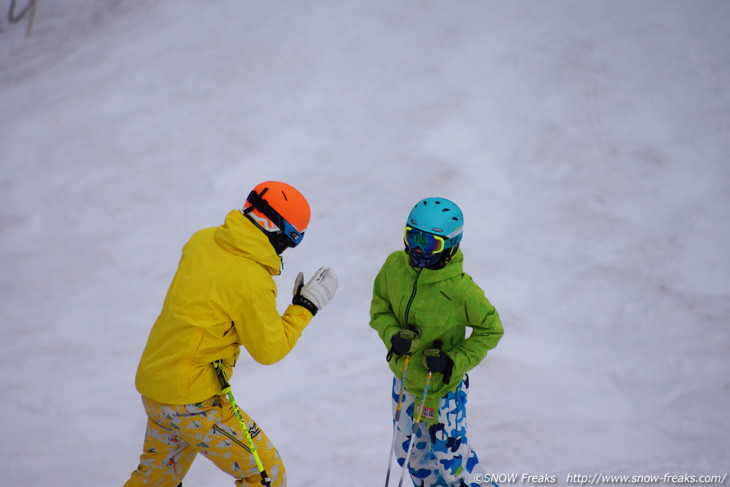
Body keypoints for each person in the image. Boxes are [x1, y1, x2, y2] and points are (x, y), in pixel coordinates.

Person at [123, 181, 338, 487]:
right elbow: (269, 350)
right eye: (292, 240)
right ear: (278, 232)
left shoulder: (201, 240)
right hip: (193, 402)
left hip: (157, 387)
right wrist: (305, 307)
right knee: (267, 476)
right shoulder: (252, 280)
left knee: (156, 479)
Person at [370, 197, 504, 487]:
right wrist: (392, 334)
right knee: (412, 459)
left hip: (443, 390)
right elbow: (380, 307)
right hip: (405, 383)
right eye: (413, 237)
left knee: (453, 463)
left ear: (451, 245)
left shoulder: (461, 290)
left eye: (430, 244)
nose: (418, 249)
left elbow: (491, 330)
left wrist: (453, 361)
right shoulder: (395, 266)